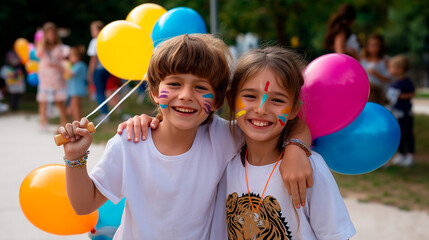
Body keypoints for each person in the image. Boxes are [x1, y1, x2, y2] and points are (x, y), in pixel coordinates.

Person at [59, 34, 312, 239]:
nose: (186, 95)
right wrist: (75, 157)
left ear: (217, 101)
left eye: (201, 87)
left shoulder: (224, 136)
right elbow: (84, 205)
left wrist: (296, 148)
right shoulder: (130, 142)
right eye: (175, 84)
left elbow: (285, 122)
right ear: (156, 92)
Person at [221, 47, 356, 239]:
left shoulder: (311, 168)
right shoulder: (226, 162)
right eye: (250, 96)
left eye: (277, 100)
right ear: (231, 100)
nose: (261, 109)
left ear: (294, 110)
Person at [36, 22, 70, 129]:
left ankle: (64, 123)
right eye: (48, 34)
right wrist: (42, 42)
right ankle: (43, 123)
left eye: (53, 33)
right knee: (43, 100)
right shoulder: (42, 46)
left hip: (56, 76)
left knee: (59, 101)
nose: (51, 36)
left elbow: (64, 60)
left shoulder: (60, 47)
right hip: (45, 76)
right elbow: (38, 54)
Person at [387, 55, 416, 166]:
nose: (390, 70)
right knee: (399, 134)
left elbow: (412, 92)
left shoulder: (406, 81)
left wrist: (402, 96)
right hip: (396, 113)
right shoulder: (394, 82)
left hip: (405, 114)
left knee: (407, 133)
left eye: (392, 67)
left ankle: (410, 155)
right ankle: (401, 154)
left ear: (400, 69)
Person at [87, 20, 110, 122]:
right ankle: (106, 112)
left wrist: (90, 73)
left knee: (99, 92)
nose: (92, 32)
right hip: (106, 70)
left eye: (93, 30)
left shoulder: (94, 42)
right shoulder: (106, 40)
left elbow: (93, 59)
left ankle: (104, 114)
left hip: (98, 70)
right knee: (104, 91)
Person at [361, 33, 391, 104]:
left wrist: (376, 74)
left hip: (379, 93)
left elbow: (389, 78)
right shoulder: (362, 59)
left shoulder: (385, 60)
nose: (373, 48)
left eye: (376, 45)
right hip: (365, 93)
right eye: (371, 45)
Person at [66, 45, 88, 121]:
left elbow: (71, 73)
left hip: (77, 90)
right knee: (74, 108)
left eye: (70, 56)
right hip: (74, 90)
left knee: (76, 108)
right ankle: (77, 122)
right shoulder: (75, 66)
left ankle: (78, 123)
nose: (69, 58)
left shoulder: (80, 65)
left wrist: (61, 68)